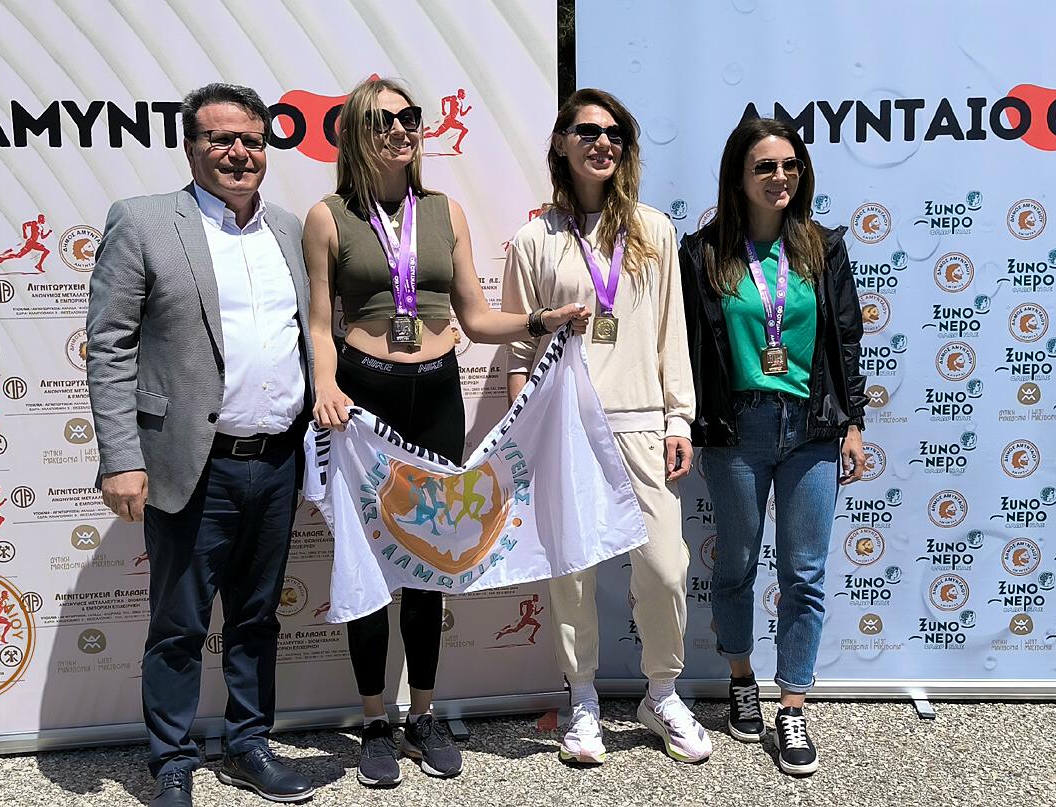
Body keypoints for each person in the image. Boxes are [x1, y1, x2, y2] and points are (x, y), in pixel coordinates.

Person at [301, 76, 587, 789]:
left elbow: (476, 317)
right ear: (356, 132)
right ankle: (374, 719)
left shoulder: (445, 211)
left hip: (436, 396)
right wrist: (326, 385)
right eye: (385, 121)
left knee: (432, 558)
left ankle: (423, 714)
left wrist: (538, 321)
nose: (402, 130)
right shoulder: (327, 217)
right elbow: (320, 323)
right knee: (368, 566)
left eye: (410, 118)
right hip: (363, 402)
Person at [86, 83, 318, 807]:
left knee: (257, 617)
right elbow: (109, 345)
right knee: (179, 624)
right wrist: (121, 457)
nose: (238, 152)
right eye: (221, 139)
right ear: (190, 147)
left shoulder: (288, 230)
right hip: (192, 464)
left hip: (277, 460)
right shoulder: (144, 222)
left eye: (252, 140)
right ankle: (172, 759)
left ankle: (249, 742)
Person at [503, 88, 710, 766]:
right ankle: (583, 698)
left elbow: (672, 331)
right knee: (573, 576)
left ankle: (661, 691)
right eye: (587, 130)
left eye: (615, 132)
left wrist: (679, 418)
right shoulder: (534, 239)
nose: (602, 142)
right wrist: (525, 435)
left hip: (643, 423)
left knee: (665, 569)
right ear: (561, 142)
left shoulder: (654, 230)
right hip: (565, 430)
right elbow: (518, 351)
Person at [679, 116, 867, 776]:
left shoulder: (823, 247)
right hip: (738, 430)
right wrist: (686, 423)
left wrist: (853, 422)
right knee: (735, 564)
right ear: (738, 176)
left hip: (811, 429)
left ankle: (793, 705)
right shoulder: (703, 254)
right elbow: (689, 346)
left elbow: (845, 340)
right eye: (765, 166)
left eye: (790, 164)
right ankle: (740, 678)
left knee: (804, 573)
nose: (780, 176)